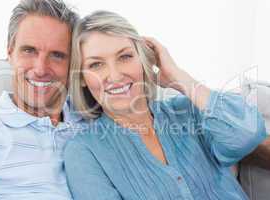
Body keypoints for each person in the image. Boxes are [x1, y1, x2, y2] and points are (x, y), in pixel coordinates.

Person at [64, 10, 267, 200]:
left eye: (125, 57)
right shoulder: (84, 151)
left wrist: (179, 78)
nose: (115, 75)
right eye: (96, 65)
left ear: (142, 60)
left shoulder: (189, 111)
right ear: (81, 77)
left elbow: (247, 133)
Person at [0, 0, 81, 199]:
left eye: (57, 55)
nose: (40, 69)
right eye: (29, 50)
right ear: (10, 52)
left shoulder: (92, 122)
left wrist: (157, 78)